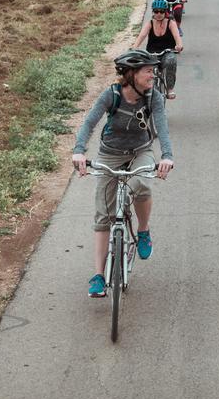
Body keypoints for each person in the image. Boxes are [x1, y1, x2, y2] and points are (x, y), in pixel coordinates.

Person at [72, 50, 174, 297]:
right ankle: (98, 275)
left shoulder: (154, 98)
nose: (153, 74)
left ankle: (143, 230)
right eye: (148, 70)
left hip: (140, 150)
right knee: (104, 214)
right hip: (110, 153)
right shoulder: (112, 95)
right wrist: (78, 151)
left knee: (142, 184)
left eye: (153, 70)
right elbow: (89, 123)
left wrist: (167, 157)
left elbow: (161, 126)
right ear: (132, 74)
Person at [133, 0, 183, 99]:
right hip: (151, 53)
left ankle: (169, 88)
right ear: (153, 12)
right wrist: (135, 47)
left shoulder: (171, 23)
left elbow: (177, 37)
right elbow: (142, 35)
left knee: (171, 61)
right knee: (139, 67)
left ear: (166, 12)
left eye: (161, 11)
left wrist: (179, 45)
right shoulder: (150, 23)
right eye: (156, 11)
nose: (159, 14)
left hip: (167, 53)